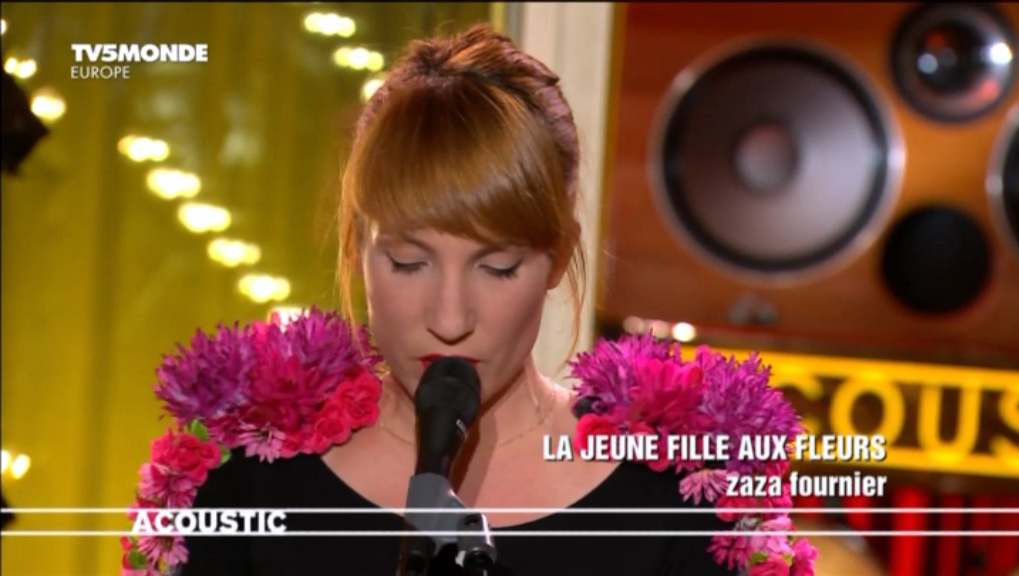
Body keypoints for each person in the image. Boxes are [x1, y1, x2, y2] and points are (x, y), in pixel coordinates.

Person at [173, 24, 738, 575]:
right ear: (355, 247)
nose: (449, 320)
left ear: (559, 256)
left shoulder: (681, 501)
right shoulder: (246, 479)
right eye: (408, 263)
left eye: (497, 268)